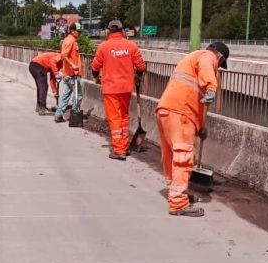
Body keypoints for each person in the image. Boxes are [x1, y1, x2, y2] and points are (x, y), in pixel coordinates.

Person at [156, 42, 230, 217]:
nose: (217, 67)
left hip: (166, 110)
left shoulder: (190, 59)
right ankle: (178, 203)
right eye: (220, 64)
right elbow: (207, 69)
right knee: (183, 157)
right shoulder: (207, 56)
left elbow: (197, 99)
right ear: (220, 57)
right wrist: (212, 87)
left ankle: (175, 192)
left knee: (171, 156)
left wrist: (201, 126)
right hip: (181, 112)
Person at [91, 20, 146, 161]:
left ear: (109, 31)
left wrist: (96, 78)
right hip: (126, 88)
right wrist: (138, 76)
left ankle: (119, 150)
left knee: (114, 118)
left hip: (111, 88)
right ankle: (125, 145)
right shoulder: (131, 45)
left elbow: (95, 67)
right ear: (122, 30)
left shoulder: (103, 47)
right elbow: (141, 67)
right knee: (123, 116)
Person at [54, 23, 83, 123]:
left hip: (69, 74)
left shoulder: (71, 40)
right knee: (78, 95)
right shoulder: (70, 41)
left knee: (65, 95)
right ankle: (75, 116)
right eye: (78, 31)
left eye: (80, 31)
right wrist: (73, 65)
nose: (79, 33)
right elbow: (63, 55)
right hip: (72, 74)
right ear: (72, 31)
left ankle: (58, 115)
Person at [29, 51, 62, 115]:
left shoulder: (57, 64)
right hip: (38, 65)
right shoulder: (62, 57)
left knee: (40, 87)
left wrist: (54, 91)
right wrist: (56, 73)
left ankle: (39, 106)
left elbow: (52, 78)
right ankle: (42, 108)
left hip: (33, 65)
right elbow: (52, 61)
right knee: (43, 87)